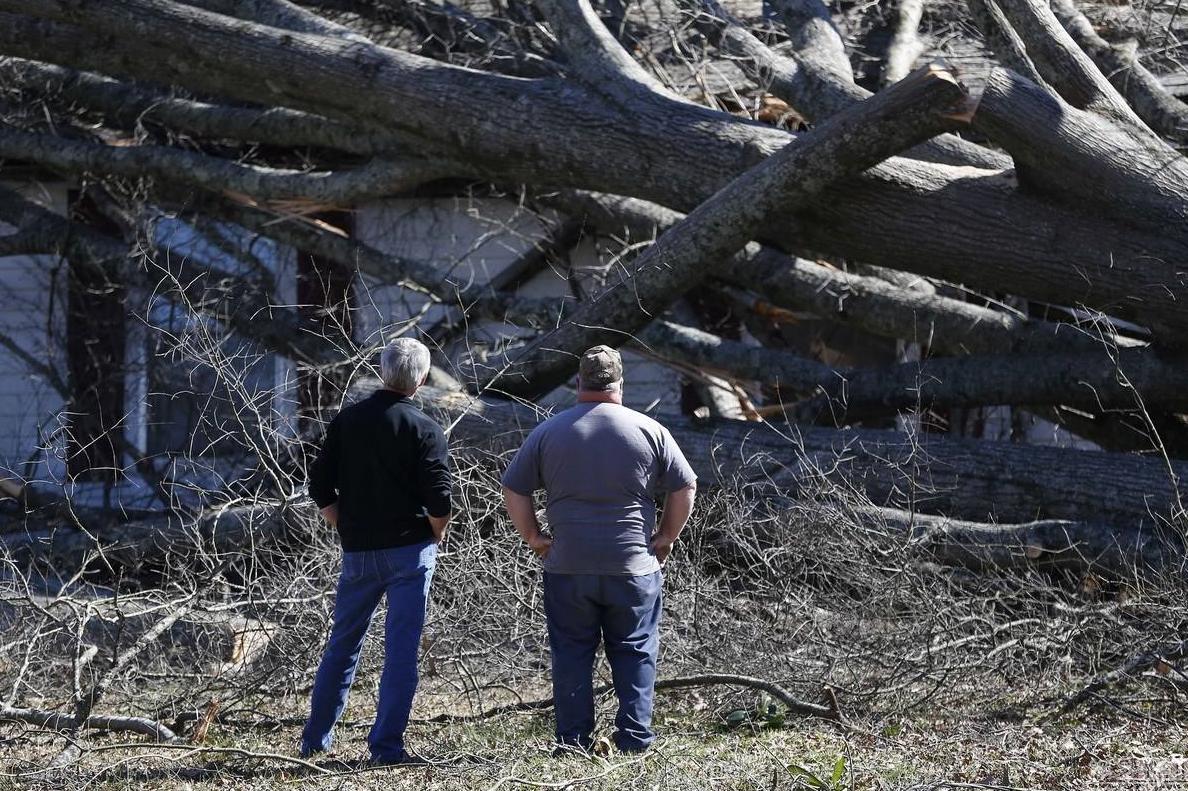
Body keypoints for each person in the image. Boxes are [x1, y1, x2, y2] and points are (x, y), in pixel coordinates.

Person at [501, 345, 697, 754]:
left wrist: (535, 538)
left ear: (578, 383)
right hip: (633, 566)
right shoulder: (649, 430)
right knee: (635, 652)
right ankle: (635, 739)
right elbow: (685, 486)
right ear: (620, 384)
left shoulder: (549, 431)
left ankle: (572, 741)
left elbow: (514, 488)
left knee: (572, 653)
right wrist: (666, 536)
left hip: (568, 566)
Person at [301, 337, 453, 765]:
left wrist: (341, 521)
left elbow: (319, 485)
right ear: (422, 379)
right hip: (409, 550)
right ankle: (386, 747)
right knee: (400, 650)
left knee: (343, 644)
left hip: (359, 551)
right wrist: (434, 533)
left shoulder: (347, 420)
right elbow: (440, 499)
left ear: (383, 371)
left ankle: (314, 742)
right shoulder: (424, 427)